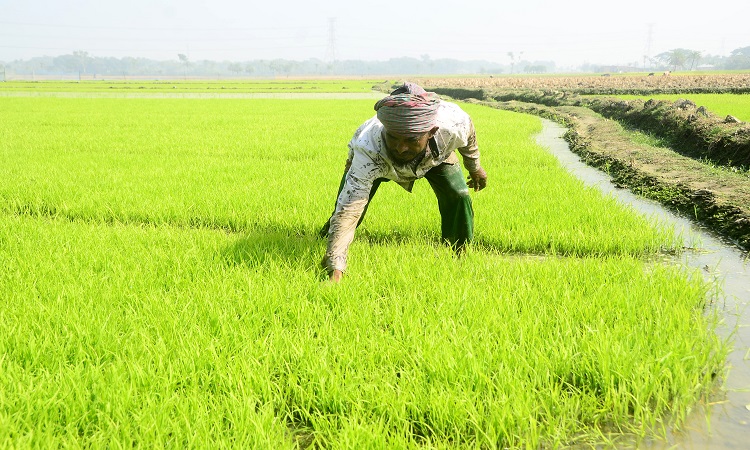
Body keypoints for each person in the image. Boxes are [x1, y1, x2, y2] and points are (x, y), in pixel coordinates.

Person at [320, 82, 488, 283]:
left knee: (458, 194)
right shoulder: (369, 146)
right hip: (380, 160)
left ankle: (459, 250)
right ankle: (327, 242)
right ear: (385, 129)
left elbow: (469, 136)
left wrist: (475, 167)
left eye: (411, 140)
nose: (401, 148)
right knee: (348, 204)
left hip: (434, 158)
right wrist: (336, 269)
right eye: (394, 138)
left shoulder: (453, 125)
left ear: (431, 132)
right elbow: (349, 209)